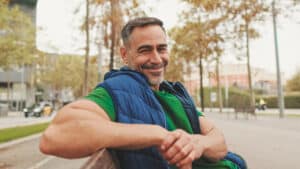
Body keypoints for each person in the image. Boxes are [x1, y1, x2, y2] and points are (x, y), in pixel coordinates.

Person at [40, 17, 245, 169]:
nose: (156, 59)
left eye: (161, 49)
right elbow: (55, 137)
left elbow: (219, 143)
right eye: (145, 50)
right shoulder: (118, 90)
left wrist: (198, 143)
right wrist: (157, 135)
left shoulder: (174, 95)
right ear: (124, 54)